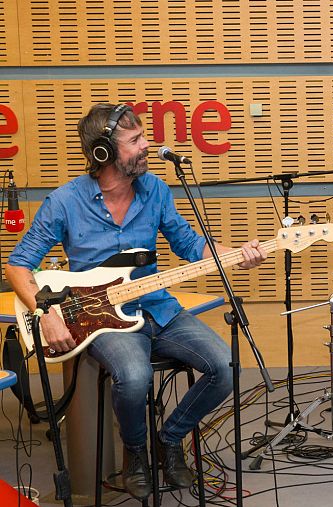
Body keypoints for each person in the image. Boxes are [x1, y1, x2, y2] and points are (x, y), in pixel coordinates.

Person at [5, 103, 268, 501]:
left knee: (225, 367)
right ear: (102, 152)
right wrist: (46, 314)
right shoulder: (64, 201)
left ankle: (169, 438)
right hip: (99, 316)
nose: (147, 146)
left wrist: (240, 252)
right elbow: (18, 265)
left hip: (157, 306)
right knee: (134, 376)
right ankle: (135, 453)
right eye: (135, 141)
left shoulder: (157, 191)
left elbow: (190, 244)